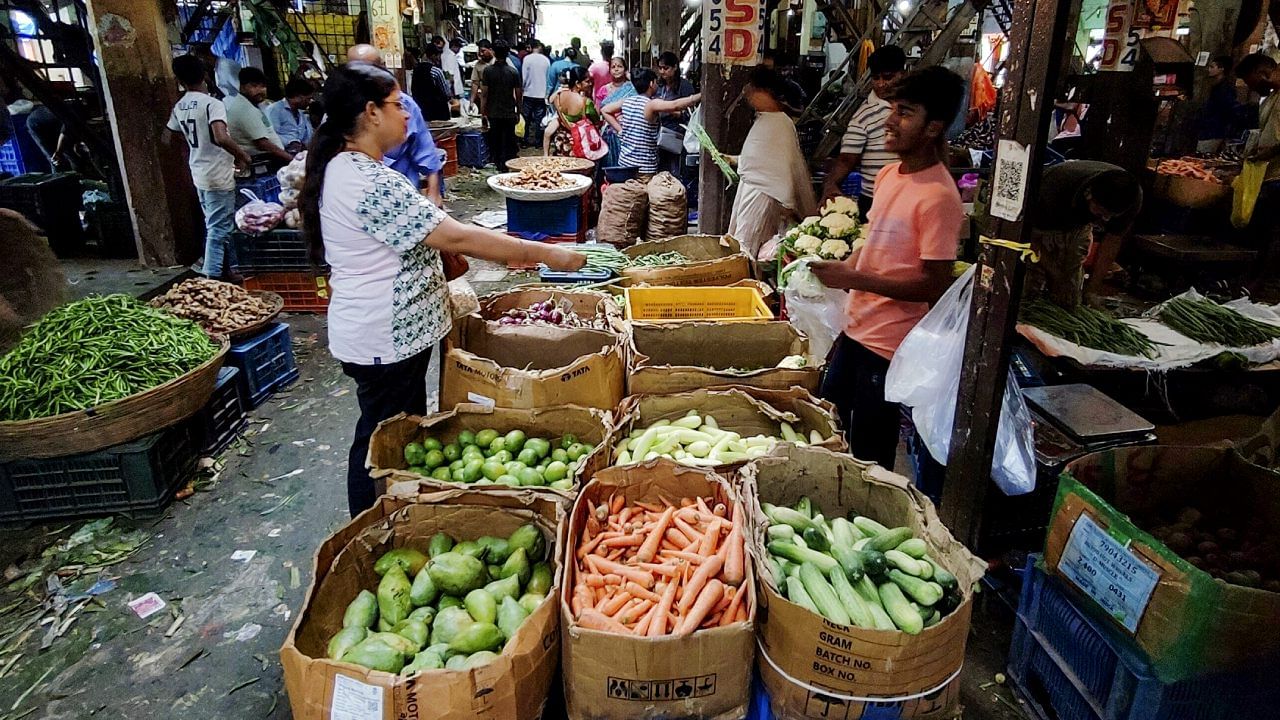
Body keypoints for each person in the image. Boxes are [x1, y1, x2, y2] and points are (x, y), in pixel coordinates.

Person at [298, 62, 585, 516]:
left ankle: (394, 510)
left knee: (396, 430)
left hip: (387, 337)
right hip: (384, 338)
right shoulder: (365, 180)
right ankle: (372, 521)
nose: (407, 115)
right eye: (397, 105)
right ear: (371, 113)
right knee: (380, 439)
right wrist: (548, 254)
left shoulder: (353, 169)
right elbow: (455, 236)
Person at [810, 66, 965, 471]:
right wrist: (848, 265)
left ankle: (865, 514)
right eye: (892, 109)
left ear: (933, 128)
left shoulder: (939, 197)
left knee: (871, 449)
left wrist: (853, 278)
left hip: (890, 346)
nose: (890, 121)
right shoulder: (888, 174)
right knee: (828, 418)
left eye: (905, 112)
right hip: (857, 328)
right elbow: (872, 239)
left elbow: (934, 284)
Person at [164, 55, 252, 280]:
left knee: (214, 222)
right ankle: (211, 280)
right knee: (219, 229)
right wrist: (242, 155)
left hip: (199, 171)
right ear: (205, 74)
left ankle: (226, 272)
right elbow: (221, 137)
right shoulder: (212, 104)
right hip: (217, 174)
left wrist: (194, 147)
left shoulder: (180, 105)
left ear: (180, 80)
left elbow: (167, 137)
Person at [724, 67, 817, 258]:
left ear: (768, 93)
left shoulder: (780, 123)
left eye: (753, 90)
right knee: (743, 245)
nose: (748, 94)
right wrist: (733, 159)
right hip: (751, 191)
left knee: (750, 249)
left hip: (764, 196)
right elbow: (759, 158)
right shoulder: (765, 119)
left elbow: (782, 165)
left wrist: (787, 201)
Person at [1025, 161, 1141, 309]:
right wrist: (1057, 275)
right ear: (1089, 195)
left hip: (1079, 225)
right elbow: (1028, 237)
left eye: (1111, 215)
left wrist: (1092, 289)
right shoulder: (1053, 187)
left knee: (1070, 293)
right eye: (1101, 213)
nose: (1105, 220)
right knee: (1032, 288)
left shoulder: (1131, 198)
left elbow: (1112, 240)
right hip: (1043, 226)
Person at [348, 44, 443, 207]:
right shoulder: (342, 109)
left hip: (404, 190)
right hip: (360, 196)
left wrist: (433, 192)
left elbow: (424, 148)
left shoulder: (404, 104)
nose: (404, 114)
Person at [821, 45, 906, 218]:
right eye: (876, 78)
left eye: (888, 77)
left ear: (902, 74)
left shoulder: (916, 110)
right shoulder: (864, 116)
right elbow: (846, 159)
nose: (881, 84)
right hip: (875, 201)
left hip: (909, 199)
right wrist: (830, 185)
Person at [602, 67, 701, 181]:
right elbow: (675, 105)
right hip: (644, 168)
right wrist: (699, 96)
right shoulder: (650, 104)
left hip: (625, 163)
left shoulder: (627, 101)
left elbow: (605, 110)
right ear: (651, 83)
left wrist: (620, 130)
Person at [1234, 53, 1280, 289]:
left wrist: (1265, 154)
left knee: (1273, 232)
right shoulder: (1273, 97)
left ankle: (1256, 284)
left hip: (1278, 177)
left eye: (1251, 82)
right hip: (1269, 174)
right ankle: (1252, 281)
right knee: (1265, 231)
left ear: (1263, 73)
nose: (1251, 87)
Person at [225, 67, 293, 164]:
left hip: (268, 159)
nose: (260, 90)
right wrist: (291, 160)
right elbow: (263, 144)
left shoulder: (251, 105)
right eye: (254, 86)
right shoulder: (245, 110)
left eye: (263, 86)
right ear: (242, 87)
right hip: (260, 163)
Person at [653, 51, 696, 177]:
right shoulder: (659, 86)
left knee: (675, 172)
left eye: (666, 68)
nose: (662, 72)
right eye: (660, 68)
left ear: (675, 67)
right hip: (659, 135)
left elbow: (692, 115)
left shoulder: (685, 86)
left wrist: (675, 112)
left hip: (677, 136)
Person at [481, 40, 523, 169]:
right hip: (508, 111)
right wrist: (518, 112)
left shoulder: (488, 71)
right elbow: (518, 94)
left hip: (493, 112)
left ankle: (498, 164)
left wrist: (483, 113)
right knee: (508, 141)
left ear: (493, 52)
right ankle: (506, 165)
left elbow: (484, 94)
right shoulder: (513, 72)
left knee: (496, 140)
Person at [545, 66, 602, 156]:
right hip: (579, 143)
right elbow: (596, 121)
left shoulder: (559, 96)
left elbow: (551, 102)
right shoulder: (586, 102)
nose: (590, 83)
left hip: (561, 141)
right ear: (577, 83)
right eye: (587, 81)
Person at [598, 56, 636, 167]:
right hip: (608, 132)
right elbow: (599, 111)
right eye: (613, 67)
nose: (616, 69)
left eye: (619, 66)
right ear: (609, 70)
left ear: (625, 69)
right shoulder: (603, 90)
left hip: (628, 131)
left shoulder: (632, 88)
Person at [266, 78, 315, 153]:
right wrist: (290, 142)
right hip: (281, 154)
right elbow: (270, 135)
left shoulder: (302, 115)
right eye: (308, 98)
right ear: (298, 96)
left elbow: (309, 137)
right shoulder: (275, 110)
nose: (310, 101)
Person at [412, 44, 454, 121]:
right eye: (438, 56)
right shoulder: (436, 71)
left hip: (421, 112)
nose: (439, 58)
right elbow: (446, 93)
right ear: (433, 56)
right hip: (438, 112)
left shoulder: (415, 70)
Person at [520, 40, 551, 146]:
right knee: (539, 119)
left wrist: (522, 88)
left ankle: (525, 140)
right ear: (538, 47)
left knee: (526, 118)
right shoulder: (546, 60)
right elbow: (548, 78)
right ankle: (538, 142)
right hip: (541, 94)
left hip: (528, 93)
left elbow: (524, 77)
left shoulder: (527, 59)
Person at [469, 39, 494, 108]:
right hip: (484, 100)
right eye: (479, 51)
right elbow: (475, 83)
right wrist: (471, 102)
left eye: (483, 51)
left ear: (490, 50)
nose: (481, 53)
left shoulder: (497, 62)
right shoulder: (478, 65)